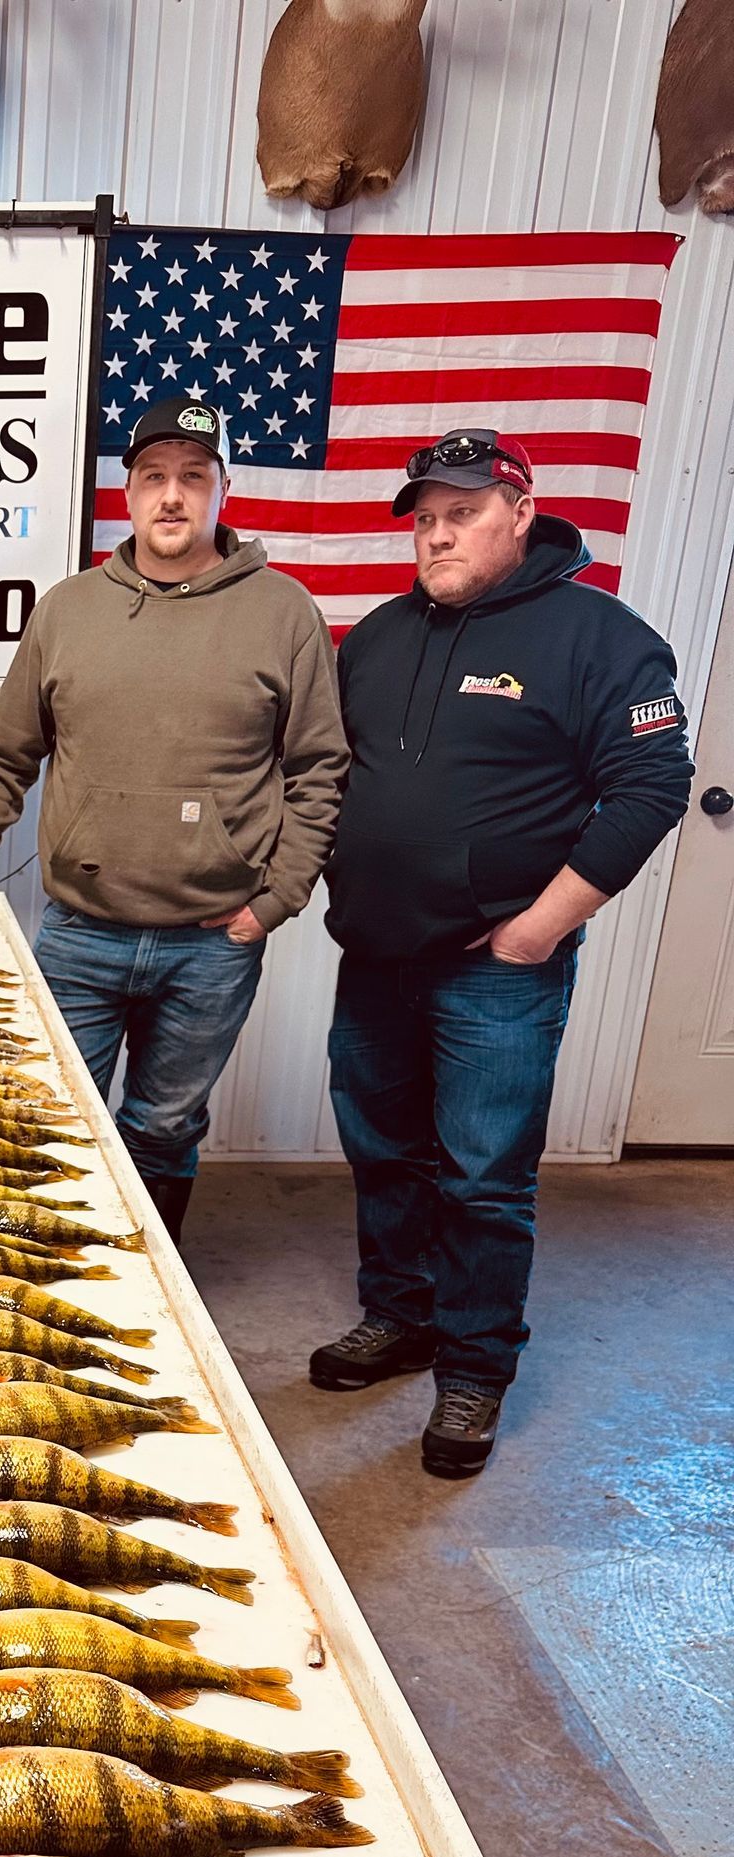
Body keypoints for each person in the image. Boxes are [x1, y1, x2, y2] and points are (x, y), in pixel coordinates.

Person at [311, 427, 693, 1477]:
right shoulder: (378, 636)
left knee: (483, 1178)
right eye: (426, 519)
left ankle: (475, 1368)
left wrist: (542, 924)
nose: (438, 535)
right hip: (375, 958)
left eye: (464, 514)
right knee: (384, 1153)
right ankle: (401, 1316)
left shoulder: (600, 637)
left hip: (498, 971)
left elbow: (654, 786)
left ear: (521, 515)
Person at [0, 396, 348, 1242]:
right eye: (154, 477)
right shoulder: (69, 610)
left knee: (164, 1127)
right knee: (45, 1115)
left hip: (213, 943)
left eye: (193, 477)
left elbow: (320, 768)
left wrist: (276, 900)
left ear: (223, 490)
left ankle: (152, 1279)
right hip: (83, 933)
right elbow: (3, 751)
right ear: (128, 492)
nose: (172, 496)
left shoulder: (284, 612)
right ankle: (52, 1280)